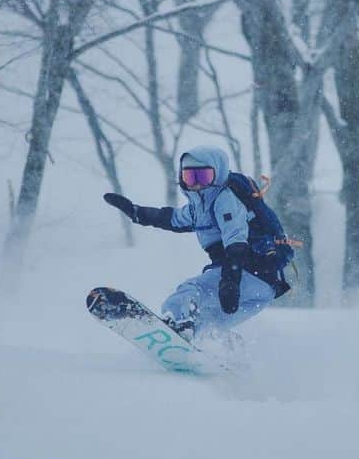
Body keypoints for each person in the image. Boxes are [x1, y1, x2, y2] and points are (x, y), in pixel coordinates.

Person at [103, 145, 289, 341]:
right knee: (206, 325)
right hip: (263, 288)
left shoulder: (225, 200)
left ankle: (176, 323)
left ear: (218, 175)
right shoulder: (199, 208)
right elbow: (171, 218)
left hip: (247, 274)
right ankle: (219, 352)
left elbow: (236, 243)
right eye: (190, 177)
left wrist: (230, 282)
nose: (197, 184)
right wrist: (137, 212)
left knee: (190, 291)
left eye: (203, 177)